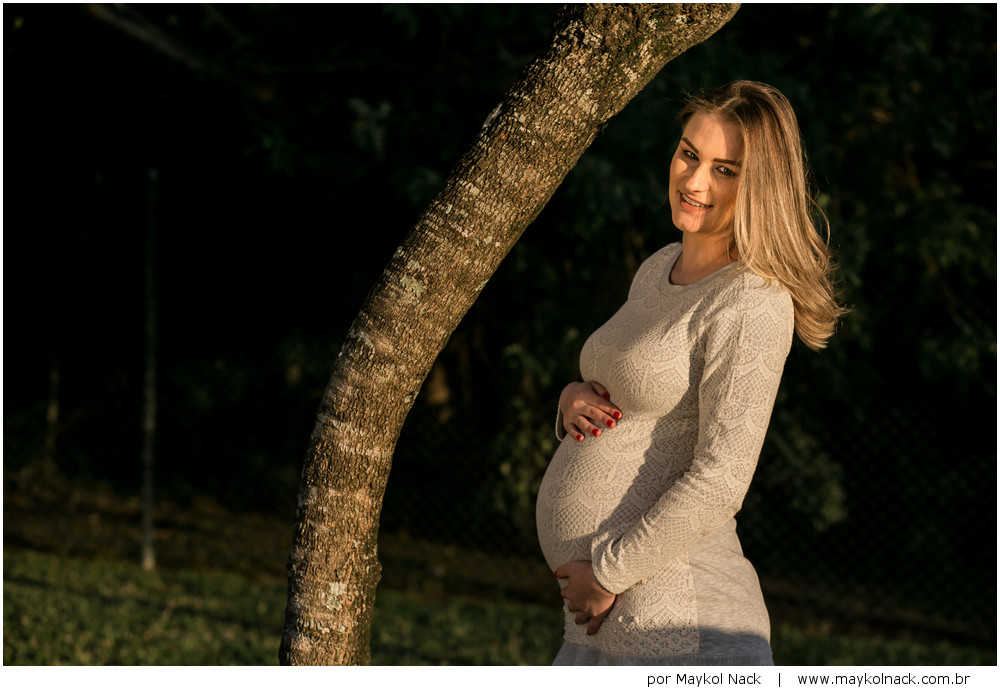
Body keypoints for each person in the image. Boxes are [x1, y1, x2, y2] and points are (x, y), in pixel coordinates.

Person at [535, 80, 846, 665]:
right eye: (688, 154)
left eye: (726, 170)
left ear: (761, 187)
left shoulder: (752, 301)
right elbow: (633, 392)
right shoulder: (660, 267)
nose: (695, 180)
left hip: (678, 626)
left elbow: (722, 477)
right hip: (603, 629)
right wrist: (571, 400)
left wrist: (606, 573)